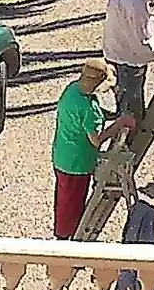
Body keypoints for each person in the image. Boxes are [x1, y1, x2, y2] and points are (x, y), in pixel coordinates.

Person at [51, 59, 134, 240]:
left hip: (62, 155)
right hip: (78, 163)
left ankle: (62, 234)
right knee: (73, 204)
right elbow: (96, 140)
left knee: (63, 201)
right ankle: (68, 240)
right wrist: (119, 124)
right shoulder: (89, 109)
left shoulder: (72, 90)